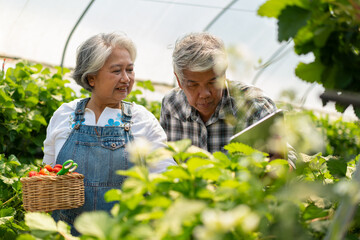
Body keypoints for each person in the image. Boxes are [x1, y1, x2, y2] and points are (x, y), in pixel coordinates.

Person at [43, 32, 176, 232]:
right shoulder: (65, 116)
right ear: (91, 78)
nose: (126, 79)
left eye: (130, 70)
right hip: (66, 233)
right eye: (116, 71)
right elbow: (48, 172)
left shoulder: (143, 120)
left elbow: (166, 178)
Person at [160, 32, 296, 166]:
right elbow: (164, 161)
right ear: (179, 81)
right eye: (193, 85)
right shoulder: (172, 105)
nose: (204, 93)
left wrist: (279, 165)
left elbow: (289, 159)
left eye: (212, 82)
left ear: (223, 74)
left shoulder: (253, 104)